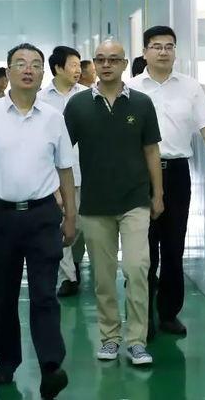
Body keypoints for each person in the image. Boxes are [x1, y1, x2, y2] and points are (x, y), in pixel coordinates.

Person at [0, 43, 75, 399]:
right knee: (4, 297)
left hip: (42, 215)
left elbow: (65, 170)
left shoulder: (53, 118)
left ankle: (51, 366)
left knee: (44, 295)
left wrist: (70, 216)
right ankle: (7, 361)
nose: (28, 69)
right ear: (7, 72)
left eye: (35, 64)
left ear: (42, 73)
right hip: (0, 217)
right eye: (20, 63)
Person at [128, 26, 205, 339]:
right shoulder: (130, 89)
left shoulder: (190, 87)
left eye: (169, 46)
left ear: (175, 51)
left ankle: (168, 313)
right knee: (143, 251)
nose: (163, 51)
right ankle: (142, 318)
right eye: (156, 46)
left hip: (176, 173)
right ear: (145, 52)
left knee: (174, 246)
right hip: (139, 174)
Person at [64, 39, 163, 365]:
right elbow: (61, 153)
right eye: (101, 59)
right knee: (104, 277)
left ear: (123, 64)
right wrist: (63, 196)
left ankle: (136, 340)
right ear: (94, 64)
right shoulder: (77, 105)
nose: (106, 65)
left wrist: (158, 194)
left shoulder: (142, 103)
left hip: (135, 200)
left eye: (113, 59)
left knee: (137, 268)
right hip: (94, 204)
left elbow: (152, 150)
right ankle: (109, 338)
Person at [38, 45, 87, 297]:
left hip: (87, 172)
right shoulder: (41, 99)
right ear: (58, 68)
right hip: (56, 173)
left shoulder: (89, 96)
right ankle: (68, 277)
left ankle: (75, 264)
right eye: (73, 65)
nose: (78, 70)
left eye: (79, 65)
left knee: (82, 226)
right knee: (62, 222)